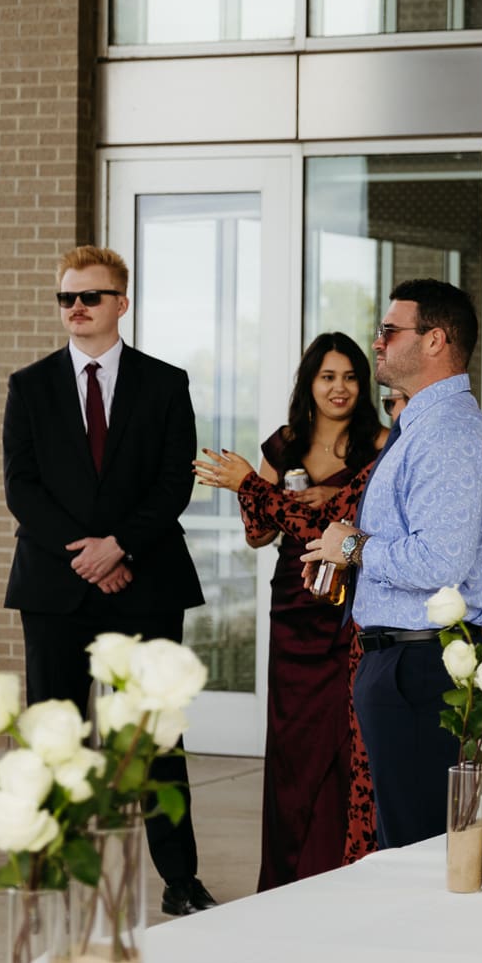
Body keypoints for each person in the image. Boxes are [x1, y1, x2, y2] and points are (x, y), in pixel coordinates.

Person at [2, 245, 215, 916]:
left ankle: (180, 880)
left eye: (90, 297)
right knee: (54, 736)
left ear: (121, 303)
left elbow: (172, 480)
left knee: (154, 739)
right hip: (56, 588)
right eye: (66, 298)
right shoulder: (29, 386)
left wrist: (120, 545)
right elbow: (22, 487)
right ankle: (49, 871)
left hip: (146, 582)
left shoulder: (165, 383)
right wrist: (87, 554)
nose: (76, 308)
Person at [302, 280, 482, 849]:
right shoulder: (426, 426)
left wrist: (350, 548)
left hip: (423, 667)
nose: (376, 342)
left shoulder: (445, 434)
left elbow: (439, 560)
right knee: (420, 844)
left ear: (435, 341)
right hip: (414, 661)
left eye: (389, 331)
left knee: (424, 851)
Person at [195, 334, 385, 890]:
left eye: (350, 376)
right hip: (295, 606)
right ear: (309, 383)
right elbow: (258, 535)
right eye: (328, 377)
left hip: (352, 601)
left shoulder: (379, 443)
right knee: (295, 744)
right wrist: (248, 491)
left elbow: (356, 533)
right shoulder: (282, 445)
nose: (340, 388)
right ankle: (287, 879)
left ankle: (345, 872)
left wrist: (273, 491)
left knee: (351, 742)